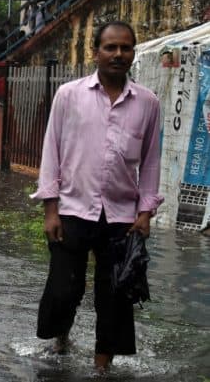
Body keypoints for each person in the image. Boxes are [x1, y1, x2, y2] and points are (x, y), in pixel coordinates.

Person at [31, 21, 163, 374]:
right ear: (95, 52)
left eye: (125, 48)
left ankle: (102, 366)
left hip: (121, 215)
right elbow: (51, 152)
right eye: (111, 48)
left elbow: (151, 161)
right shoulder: (69, 95)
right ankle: (61, 335)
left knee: (115, 296)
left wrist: (146, 212)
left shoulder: (148, 103)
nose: (118, 54)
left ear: (133, 52)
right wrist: (50, 208)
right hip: (72, 208)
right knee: (63, 289)